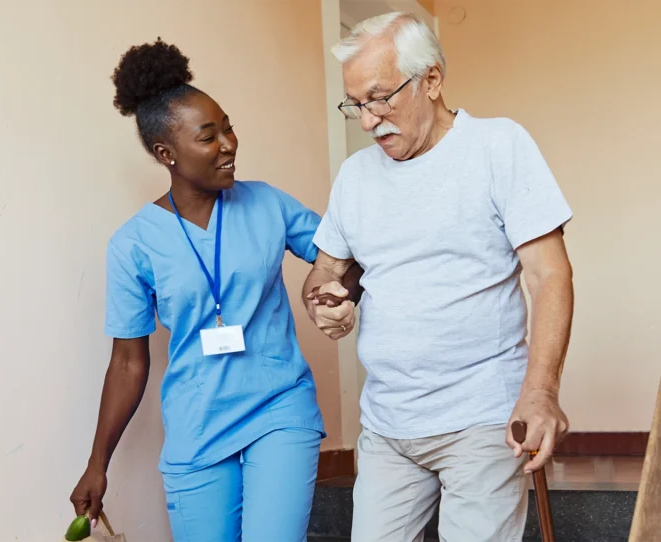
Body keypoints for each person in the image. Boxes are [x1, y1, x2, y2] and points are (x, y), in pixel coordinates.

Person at [69, 39, 361, 542]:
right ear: (166, 152)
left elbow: (346, 255)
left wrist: (337, 291)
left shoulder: (267, 203)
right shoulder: (133, 244)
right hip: (196, 427)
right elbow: (127, 363)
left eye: (227, 126)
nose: (229, 143)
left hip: (279, 410)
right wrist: (97, 463)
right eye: (209, 136)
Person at [303, 12, 575, 542]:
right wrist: (323, 301)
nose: (367, 121)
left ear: (431, 80)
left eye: (380, 97)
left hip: (482, 417)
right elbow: (325, 271)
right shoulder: (356, 175)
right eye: (356, 104)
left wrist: (540, 392)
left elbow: (550, 276)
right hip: (387, 425)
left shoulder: (498, 146)